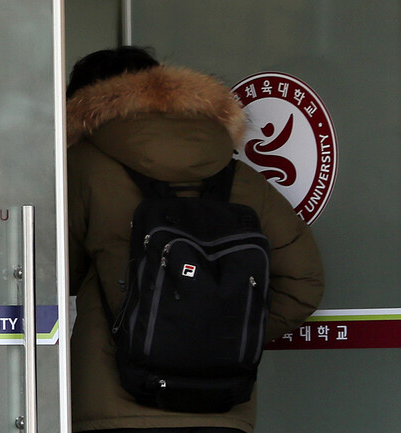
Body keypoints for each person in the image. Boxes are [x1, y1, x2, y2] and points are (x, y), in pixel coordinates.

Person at [66, 47, 325, 433]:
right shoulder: (238, 174)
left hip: (113, 402)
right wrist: (217, 329)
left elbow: (48, 276)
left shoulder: (82, 167)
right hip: (221, 406)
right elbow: (304, 282)